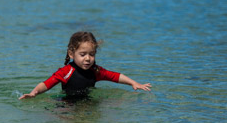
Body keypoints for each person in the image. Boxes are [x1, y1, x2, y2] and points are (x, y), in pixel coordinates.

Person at [19, 31, 151, 100]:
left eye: (91, 54)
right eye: (83, 54)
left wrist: (134, 83)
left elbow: (115, 76)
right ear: (72, 54)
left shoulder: (95, 70)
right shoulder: (67, 71)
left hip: (88, 101)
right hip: (68, 104)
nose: (88, 58)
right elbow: (47, 83)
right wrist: (34, 93)